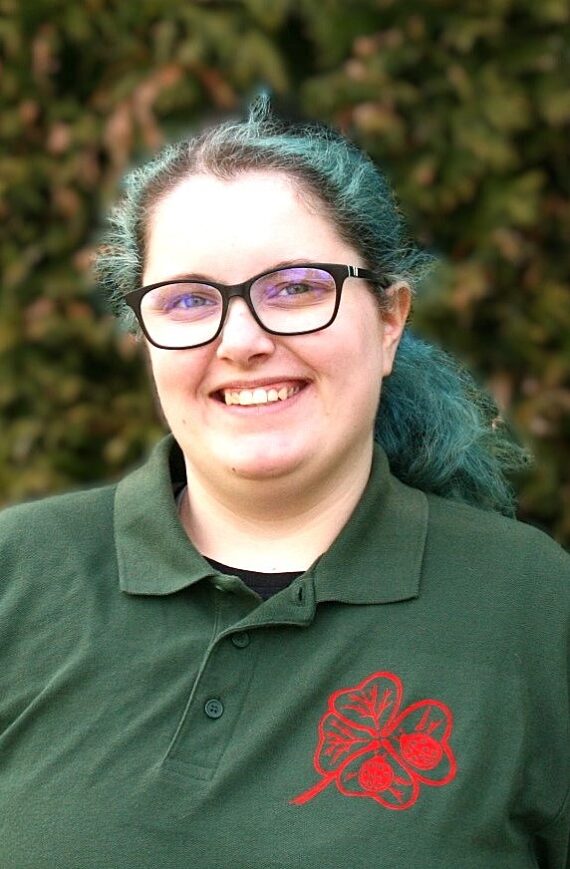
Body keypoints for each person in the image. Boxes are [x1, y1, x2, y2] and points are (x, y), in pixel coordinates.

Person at [1, 96, 568, 869]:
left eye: (295, 287)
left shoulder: (533, 603)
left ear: (390, 319)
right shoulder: (17, 574)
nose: (241, 341)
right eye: (188, 300)